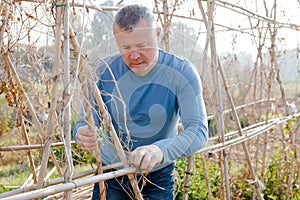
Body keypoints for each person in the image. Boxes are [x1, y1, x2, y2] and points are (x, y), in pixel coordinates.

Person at [73, 4, 208, 200]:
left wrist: (159, 150)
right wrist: (81, 133)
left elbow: (198, 130)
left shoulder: (182, 73)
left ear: (158, 33)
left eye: (142, 46)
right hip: (111, 175)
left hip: (158, 176)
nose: (134, 56)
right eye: (125, 48)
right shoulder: (103, 72)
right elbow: (82, 123)